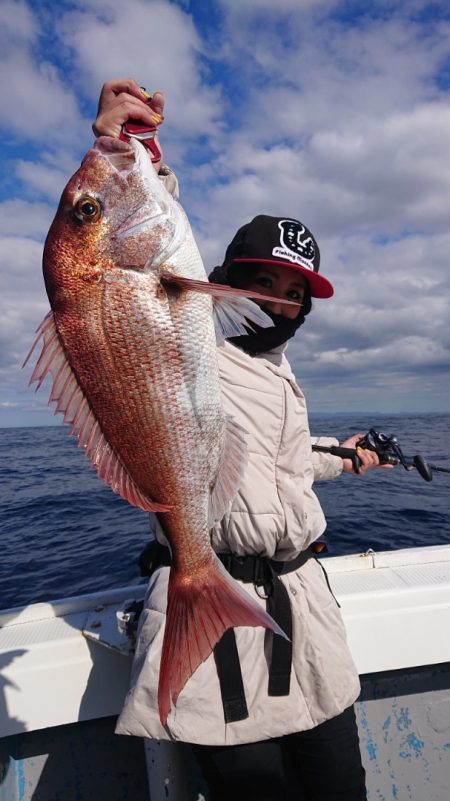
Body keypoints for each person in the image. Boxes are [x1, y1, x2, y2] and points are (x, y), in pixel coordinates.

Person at [93, 79, 384, 801]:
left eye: (296, 295)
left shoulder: (276, 367)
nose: (281, 305)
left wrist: (345, 457)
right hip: (219, 619)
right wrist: (129, 150)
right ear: (219, 280)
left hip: (306, 619)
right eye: (264, 283)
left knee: (343, 789)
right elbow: (130, 261)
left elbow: (277, 464)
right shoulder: (189, 341)